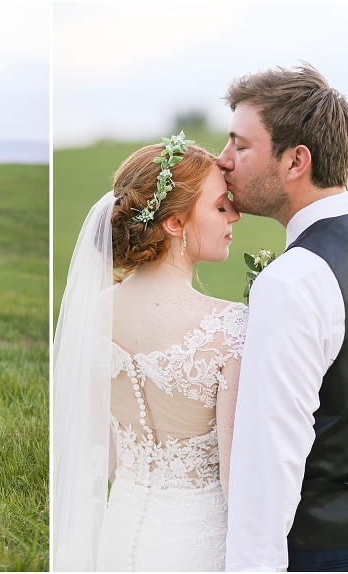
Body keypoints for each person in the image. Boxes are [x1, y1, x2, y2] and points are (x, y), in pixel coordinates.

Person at [218, 64, 348, 572]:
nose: (222, 161)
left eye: (240, 146)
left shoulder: (290, 282)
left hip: (334, 556)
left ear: (296, 161)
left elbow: (269, 461)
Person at [53, 134, 246, 571]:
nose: (234, 215)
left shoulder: (94, 313)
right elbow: (238, 480)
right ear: (175, 223)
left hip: (119, 536)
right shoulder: (228, 326)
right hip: (201, 544)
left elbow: (104, 454)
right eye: (220, 206)